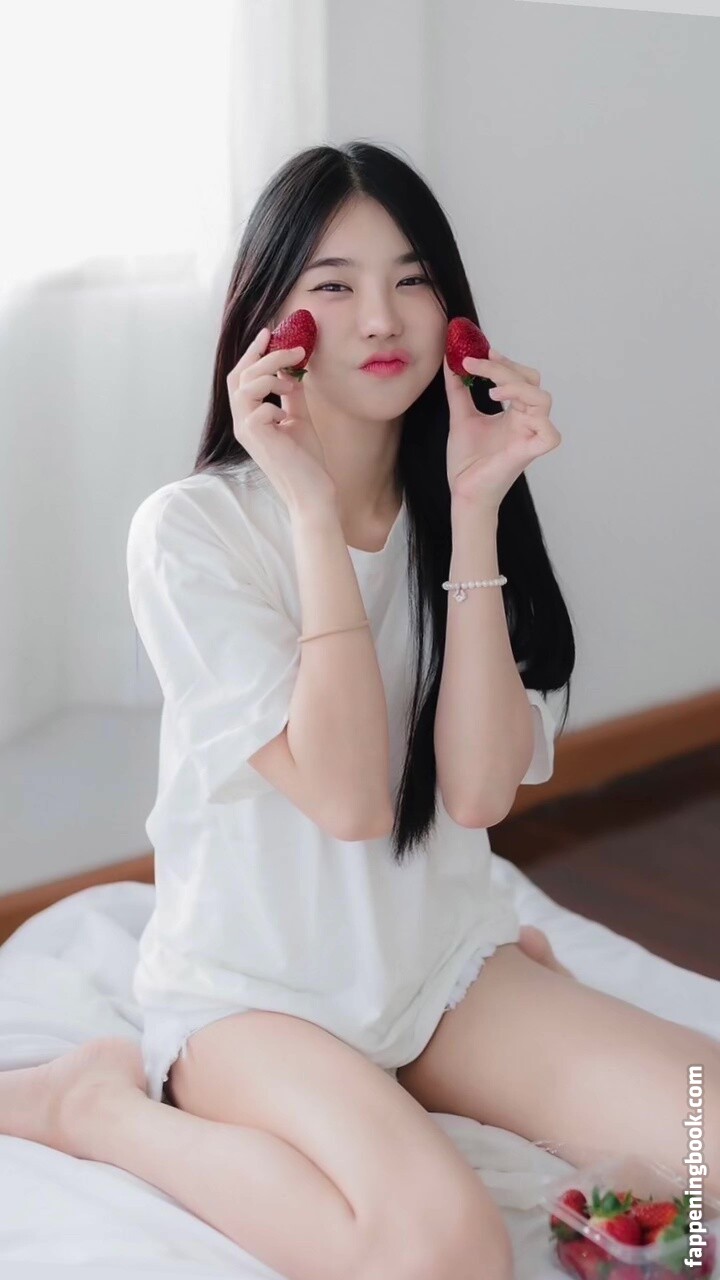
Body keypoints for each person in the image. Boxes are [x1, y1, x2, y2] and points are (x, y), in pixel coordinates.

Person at [2, 142, 717, 1280]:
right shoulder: (191, 531)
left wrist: (475, 508)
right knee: (442, 1251)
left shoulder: (464, 504)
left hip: (442, 971)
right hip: (257, 998)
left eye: (413, 277)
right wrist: (306, 504)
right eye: (333, 285)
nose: (382, 318)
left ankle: (449, 1058)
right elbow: (346, 797)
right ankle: (95, 1106)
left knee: (708, 1138)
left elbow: (477, 791)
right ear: (270, 320)